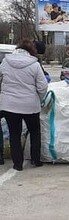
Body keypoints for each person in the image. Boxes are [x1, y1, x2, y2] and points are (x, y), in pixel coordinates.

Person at [0, 39, 48, 171]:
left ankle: (17, 164)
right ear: (31, 51)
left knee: (14, 134)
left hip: (9, 105)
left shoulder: (5, 62)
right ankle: (36, 160)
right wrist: (39, 98)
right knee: (34, 132)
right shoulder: (35, 65)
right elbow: (42, 86)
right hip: (30, 105)